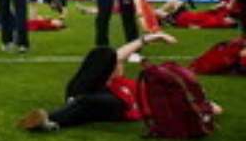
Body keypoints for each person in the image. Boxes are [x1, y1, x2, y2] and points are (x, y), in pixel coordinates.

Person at [17, 31, 179, 131]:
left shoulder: (147, 93)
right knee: (105, 54)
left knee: (89, 102)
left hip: (118, 106)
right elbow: (118, 55)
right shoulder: (125, 80)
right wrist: (150, 38)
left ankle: (49, 118)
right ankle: (64, 111)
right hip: (93, 91)